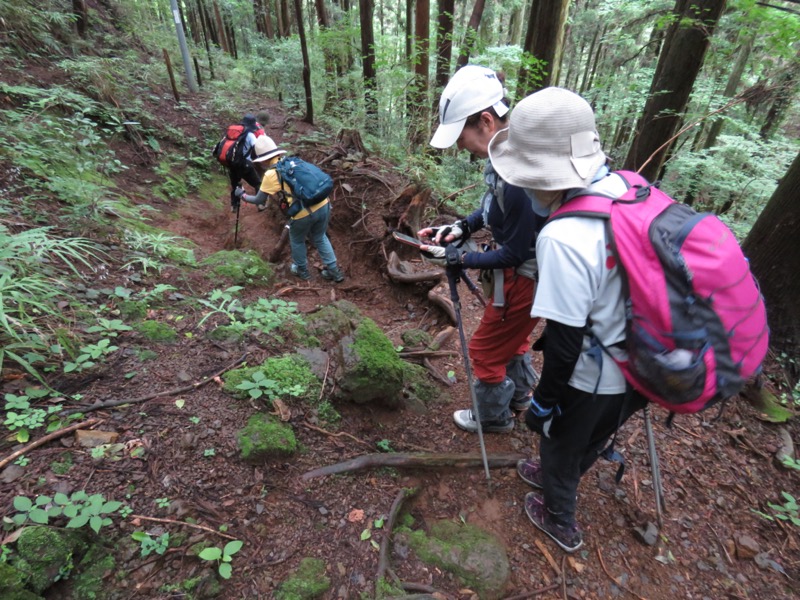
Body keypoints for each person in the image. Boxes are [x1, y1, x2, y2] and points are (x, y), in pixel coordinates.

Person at [487, 87, 647, 553]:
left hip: (593, 374)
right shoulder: (626, 188)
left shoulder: (563, 236)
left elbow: (563, 343)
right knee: (594, 435)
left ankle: (561, 520)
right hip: (643, 359)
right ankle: (565, 473)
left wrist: (542, 406)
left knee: (558, 440)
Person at [417, 65, 546, 434]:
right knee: (516, 338)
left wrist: (458, 257)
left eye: (461, 135)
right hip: (527, 277)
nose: (459, 146)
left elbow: (515, 254)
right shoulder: (509, 155)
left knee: (486, 351)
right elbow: (493, 207)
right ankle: (520, 395)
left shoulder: (520, 174)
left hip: (526, 278)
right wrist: (461, 227)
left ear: (486, 121)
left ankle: (492, 417)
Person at [237, 136, 344, 283]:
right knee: (320, 237)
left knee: (297, 240)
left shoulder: (271, 174)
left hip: (303, 212)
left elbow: (259, 200)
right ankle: (334, 272)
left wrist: (242, 195)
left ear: (262, 160)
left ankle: (302, 271)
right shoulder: (294, 161)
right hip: (323, 204)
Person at [225, 114, 264, 212]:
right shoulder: (249, 134)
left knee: (235, 185)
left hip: (232, 163)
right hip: (244, 164)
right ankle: (260, 204)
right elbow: (257, 146)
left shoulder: (234, 132)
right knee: (258, 183)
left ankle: (234, 206)